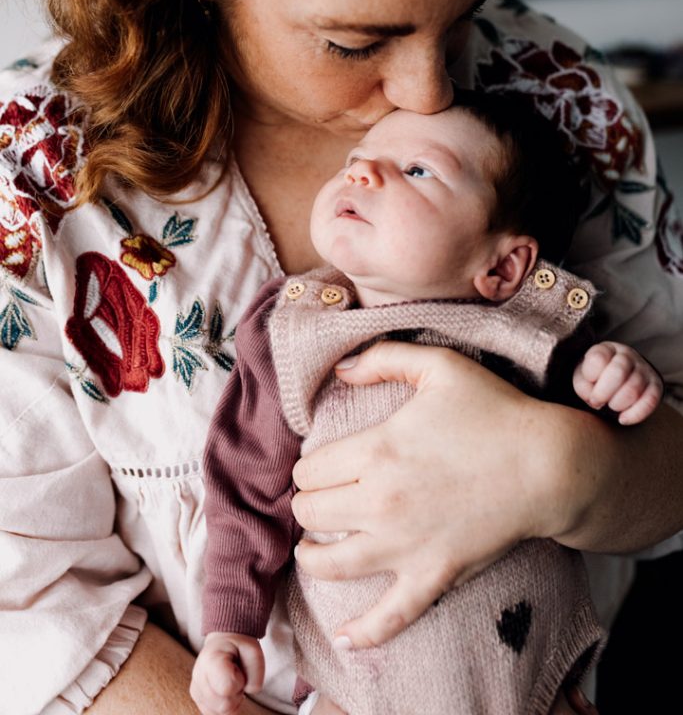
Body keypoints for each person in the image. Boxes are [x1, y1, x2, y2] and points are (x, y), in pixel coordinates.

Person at [1, 0, 681, 714]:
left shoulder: (555, 95)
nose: (429, 92)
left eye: (460, 14)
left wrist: (564, 470)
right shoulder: (46, 177)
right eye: (356, 41)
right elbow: (32, 598)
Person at [192, 98, 663, 715]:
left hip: (524, 674)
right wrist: (231, 621)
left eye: (418, 171)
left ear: (501, 266)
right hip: (358, 680)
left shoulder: (530, 335)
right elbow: (246, 483)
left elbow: (595, 450)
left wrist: (616, 380)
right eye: (357, 160)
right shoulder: (297, 331)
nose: (362, 173)